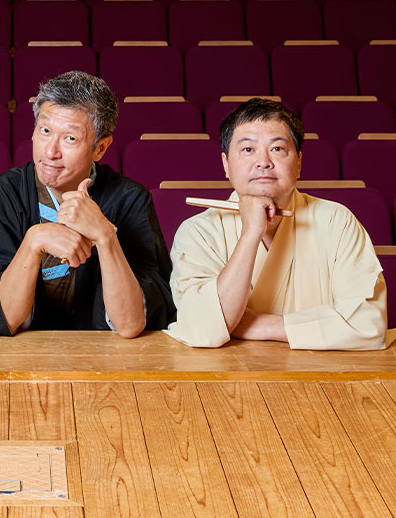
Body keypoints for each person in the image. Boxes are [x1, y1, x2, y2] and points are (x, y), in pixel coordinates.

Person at [166, 98, 387, 350]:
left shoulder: (337, 221)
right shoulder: (198, 232)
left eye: (278, 148)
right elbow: (204, 330)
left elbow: (368, 325)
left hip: (321, 370)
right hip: (228, 371)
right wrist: (250, 234)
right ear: (226, 164)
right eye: (248, 149)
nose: (263, 162)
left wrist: (257, 326)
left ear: (299, 163)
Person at [0, 71, 174, 337]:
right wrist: (34, 241)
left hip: (104, 354)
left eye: (70, 138)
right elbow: (5, 317)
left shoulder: (130, 199)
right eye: (45, 131)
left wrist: (105, 236)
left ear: (100, 148)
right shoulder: (0, 195)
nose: (50, 152)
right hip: (19, 355)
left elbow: (130, 324)